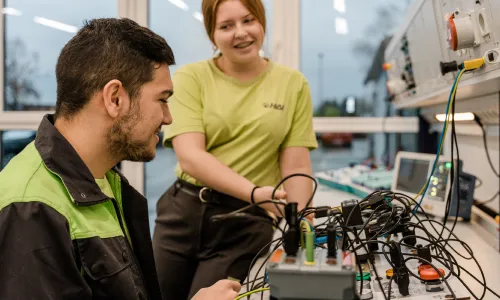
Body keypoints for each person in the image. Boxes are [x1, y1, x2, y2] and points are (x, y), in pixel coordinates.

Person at [0, 18, 240, 300]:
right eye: (162, 99)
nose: (168, 117)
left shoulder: (102, 181)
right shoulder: (31, 211)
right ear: (115, 98)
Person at [152, 0, 318, 298]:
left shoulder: (293, 84)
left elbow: (295, 166)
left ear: (262, 22)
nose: (240, 33)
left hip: (246, 222)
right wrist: (257, 193)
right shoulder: (191, 78)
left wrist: (299, 217)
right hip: (184, 212)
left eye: (248, 20)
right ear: (211, 34)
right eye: (226, 26)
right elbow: (191, 157)